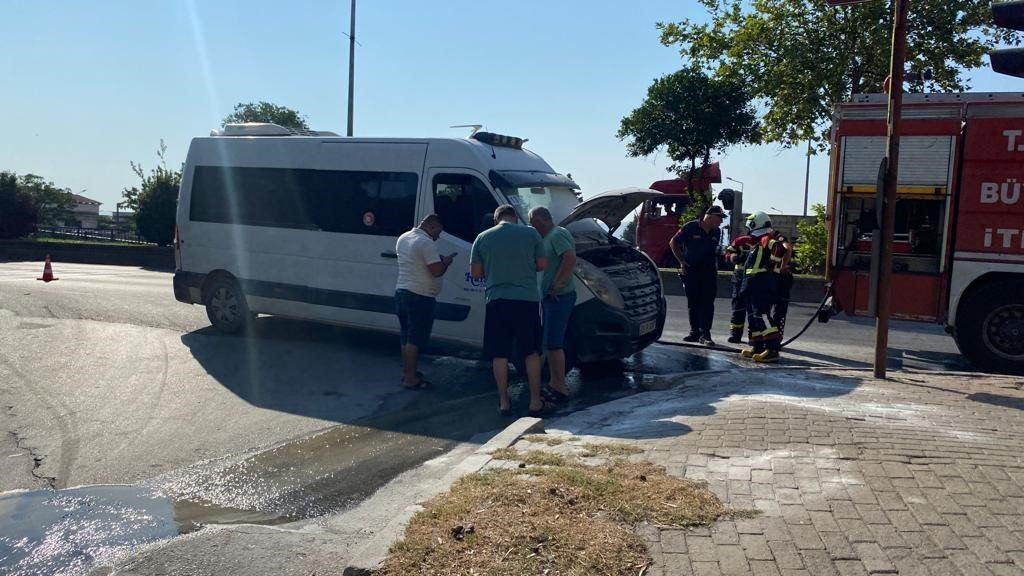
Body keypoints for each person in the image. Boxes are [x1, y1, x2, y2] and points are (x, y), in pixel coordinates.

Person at [471, 205, 551, 417]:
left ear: (496, 219)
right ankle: (535, 401)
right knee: (531, 351)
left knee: (499, 354)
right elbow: (542, 264)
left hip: (497, 300)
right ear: (515, 217)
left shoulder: (482, 238)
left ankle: (504, 402)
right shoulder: (531, 233)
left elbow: (476, 273)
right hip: (526, 300)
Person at [394, 214, 454, 389]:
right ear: (432, 227)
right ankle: (411, 379)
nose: (438, 236)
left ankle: (407, 373)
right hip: (420, 296)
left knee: (405, 337)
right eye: (438, 232)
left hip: (401, 292)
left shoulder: (404, 238)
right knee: (415, 339)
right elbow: (436, 271)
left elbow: (417, 262)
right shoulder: (426, 243)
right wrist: (446, 262)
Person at [528, 206, 576, 404]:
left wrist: (557, 283)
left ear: (540, 221)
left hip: (558, 297)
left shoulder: (557, 234)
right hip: (550, 296)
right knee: (551, 343)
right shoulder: (550, 236)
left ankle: (560, 386)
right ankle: (555, 383)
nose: (532, 228)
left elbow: (569, 257)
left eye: (533, 224)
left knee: (554, 343)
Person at [739, 211, 792, 363]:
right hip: (752, 283)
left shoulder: (767, 239)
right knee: (754, 316)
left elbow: (781, 248)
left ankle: (772, 349)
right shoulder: (758, 242)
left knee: (762, 315)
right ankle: (758, 347)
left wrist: (773, 262)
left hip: (761, 283)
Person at [669, 205, 725, 345]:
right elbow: (673, 242)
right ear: (710, 216)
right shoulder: (690, 227)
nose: (721, 222)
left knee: (707, 303)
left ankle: (705, 334)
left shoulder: (716, 232)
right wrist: (681, 260)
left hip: (709, 272)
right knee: (693, 302)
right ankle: (694, 332)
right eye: (719, 218)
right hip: (691, 271)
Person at [724, 230, 757, 344]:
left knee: (753, 308)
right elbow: (728, 253)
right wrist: (735, 258)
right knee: (738, 306)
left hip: (754, 278)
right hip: (739, 277)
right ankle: (735, 334)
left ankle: (754, 336)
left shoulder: (763, 242)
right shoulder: (741, 241)